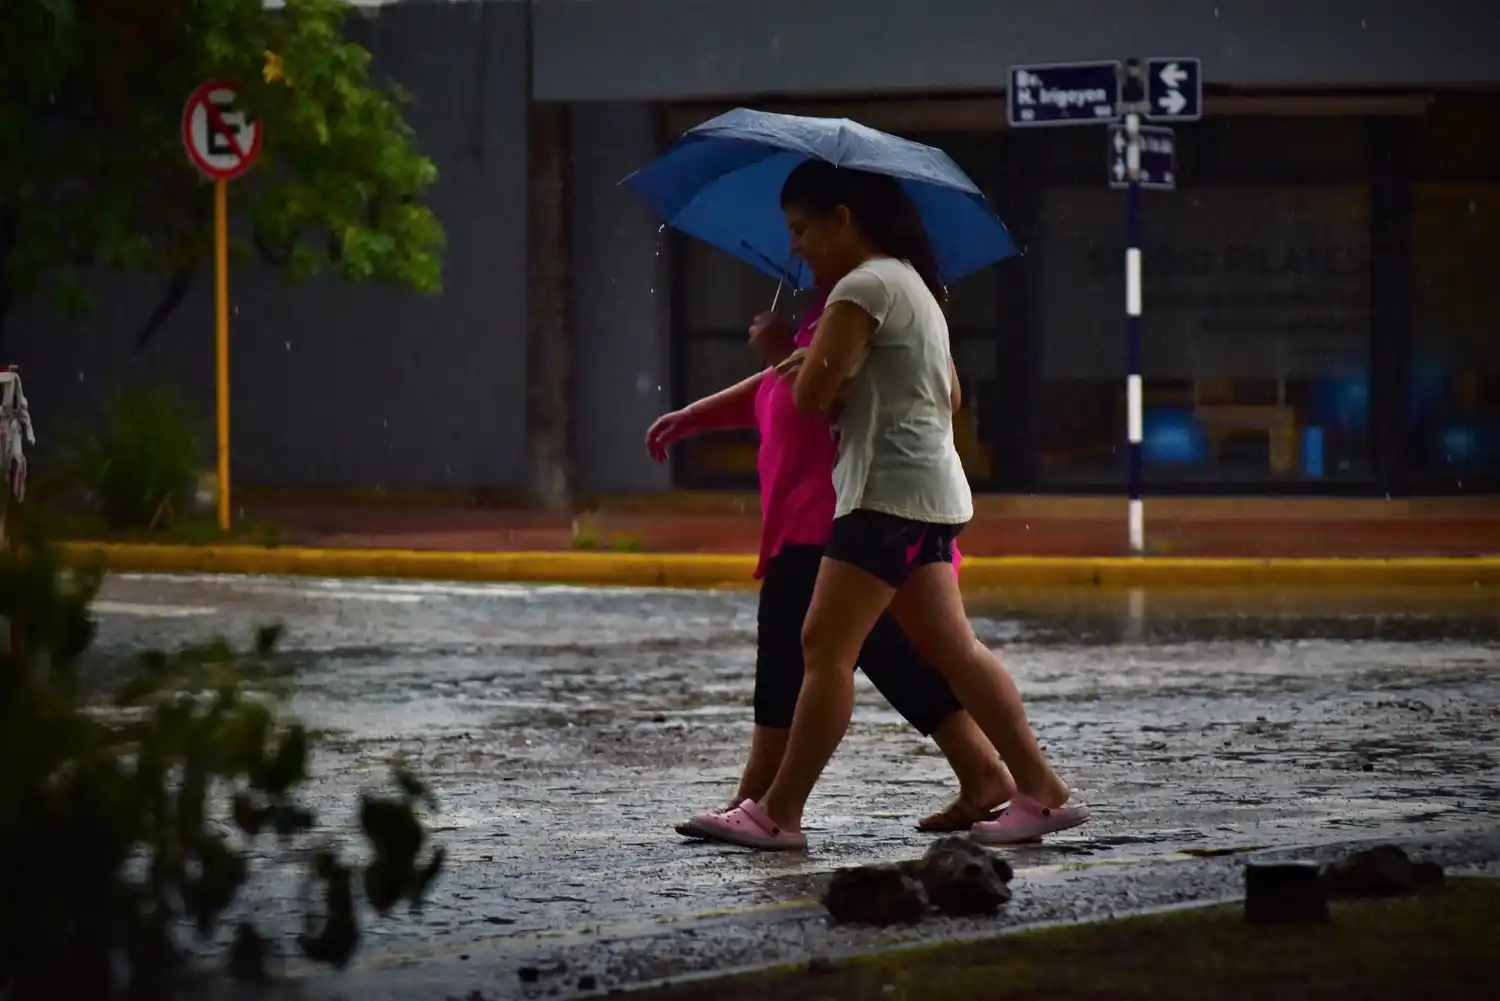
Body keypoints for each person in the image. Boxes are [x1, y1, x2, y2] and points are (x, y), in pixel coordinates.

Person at [688, 160, 1091, 850]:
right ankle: (1040, 787)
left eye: (802, 229)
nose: (795, 246)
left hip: (883, 497)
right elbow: (949, 395)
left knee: (824, 646)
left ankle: (778, 811)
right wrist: (839, 367)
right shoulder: (913, 285)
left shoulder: (862, 287)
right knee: (953, 649)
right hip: (929, 495)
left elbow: (812, 400)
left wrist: (793, 354)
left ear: (843, 219)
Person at [646, 291, 1016, 840]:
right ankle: (982, 770)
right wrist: (695, 416)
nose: (800, 250)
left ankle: (761, 799)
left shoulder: (864, 307)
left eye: (808, 241)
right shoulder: (832, 310)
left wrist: (778, 350)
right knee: (888, 653)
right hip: (816, 517)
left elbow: (824, 398)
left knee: (791, 655)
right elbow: (776, 387)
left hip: (832, 517)